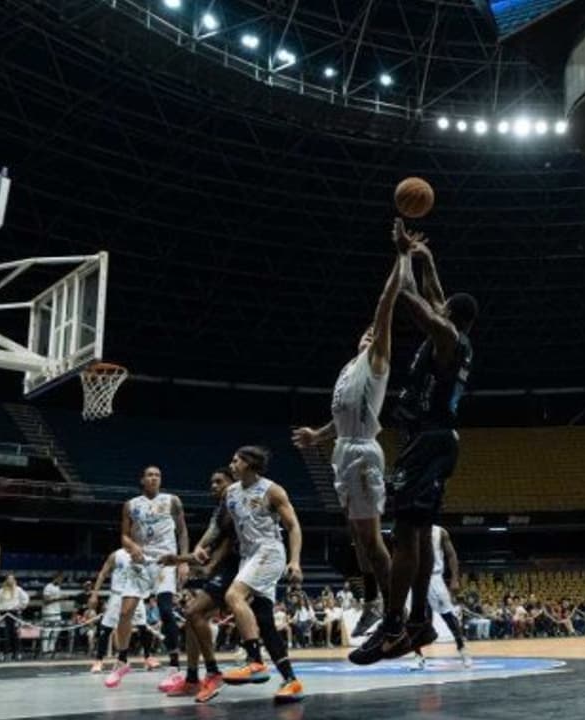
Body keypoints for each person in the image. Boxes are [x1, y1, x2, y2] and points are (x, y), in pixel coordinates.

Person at [351, 227, 478, 665]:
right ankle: (420, 619)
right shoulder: (456, 338)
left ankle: (392, 627)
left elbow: (412, 301)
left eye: (443, 309)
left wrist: (402, 259)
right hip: (437, 440)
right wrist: (427, 259)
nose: (437, 306)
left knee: (405, 534)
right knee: (420, 532)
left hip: (428, 440)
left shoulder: (446, 337)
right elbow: (435, 296)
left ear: (450, 316)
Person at [292, 222, 408, 637]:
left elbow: (385, 303)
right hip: (342, 448)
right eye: (367, 331)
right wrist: (317, 436)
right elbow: (340, 418)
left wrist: (402, 256)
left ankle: (394, 614)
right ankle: (375, 603)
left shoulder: (377, 361)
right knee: (358, 539)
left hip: (361, 453)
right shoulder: (348, 370)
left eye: (376, 332)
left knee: (372, 540)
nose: (371, 332)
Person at [216, 446, 306, 704]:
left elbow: (293, 526)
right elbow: (218, 527)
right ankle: (291, 681)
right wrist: (202, 549)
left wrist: (295, 561)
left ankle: (255, 661)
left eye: (236, 460)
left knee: (234, 596)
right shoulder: (231, 492)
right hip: (249, 556)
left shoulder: (272, 490)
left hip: (269, 551)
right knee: (265, 622)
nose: (231, 465)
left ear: (249, 464)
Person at [106, 466, 190, 689]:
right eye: (150, 475)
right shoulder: (131, 505)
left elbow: (182, 532)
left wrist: (183, 561)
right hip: (140, 562)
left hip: (165, 561)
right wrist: (132, 546)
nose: (154, 478)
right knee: (125, 613)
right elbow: (124, 536)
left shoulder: (172, 501)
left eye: (157, 475)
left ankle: (174, 667)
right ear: (142, 480)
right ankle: (122, 662)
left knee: (165, 609)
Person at [166, 466, 240, 702]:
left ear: (232, 483)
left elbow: (227, 543)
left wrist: (206, 564)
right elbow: (208, 540)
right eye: (212, 482)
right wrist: (182, 558)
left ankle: (213, 672)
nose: (213, 486)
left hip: (243, 568)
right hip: (228, 568)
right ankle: (191, 679)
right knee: (192, 616)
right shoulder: (220, 511)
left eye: (219, 482)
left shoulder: (237, 505)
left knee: (194, 612)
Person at [88, 548, 160, 675]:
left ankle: (147, 657)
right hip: (117, 594)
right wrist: (94, 594)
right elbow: (103, 573)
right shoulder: (116, 555)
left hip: (135, 594)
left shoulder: (144, 554)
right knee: (106, 628)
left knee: (143, 627)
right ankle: (99, 660)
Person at [411, 524, 471, 670]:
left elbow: (451, 555)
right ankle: (418, 656)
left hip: (434, 577)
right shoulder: (406, 530)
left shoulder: (440, 532)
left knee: (448, 615)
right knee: (413, 619)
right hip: (414, 577)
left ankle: (462, 648)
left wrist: (455, 578)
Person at [0, 574, 29, 660]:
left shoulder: (18, 589)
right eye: (9, 579)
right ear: (5, 580)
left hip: (14, 613)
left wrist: (20, 608)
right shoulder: (0, 591)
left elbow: (25, 599)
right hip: (3, 613)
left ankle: (16, 653)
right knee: (4, 634)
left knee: (15, 634)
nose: (11, 581)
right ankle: (4, 653)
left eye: (12, 579)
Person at [41, 571, 65, 655]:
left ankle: (51, 648)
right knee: (47, 630)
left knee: (57, 630)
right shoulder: (48, 587)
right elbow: (45, 600)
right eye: (61, 579)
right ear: (57, 578)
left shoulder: (58, 587)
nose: (61, 581)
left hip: (57, 611)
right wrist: (59, 599)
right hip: (48, 611)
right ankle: (45, 649)